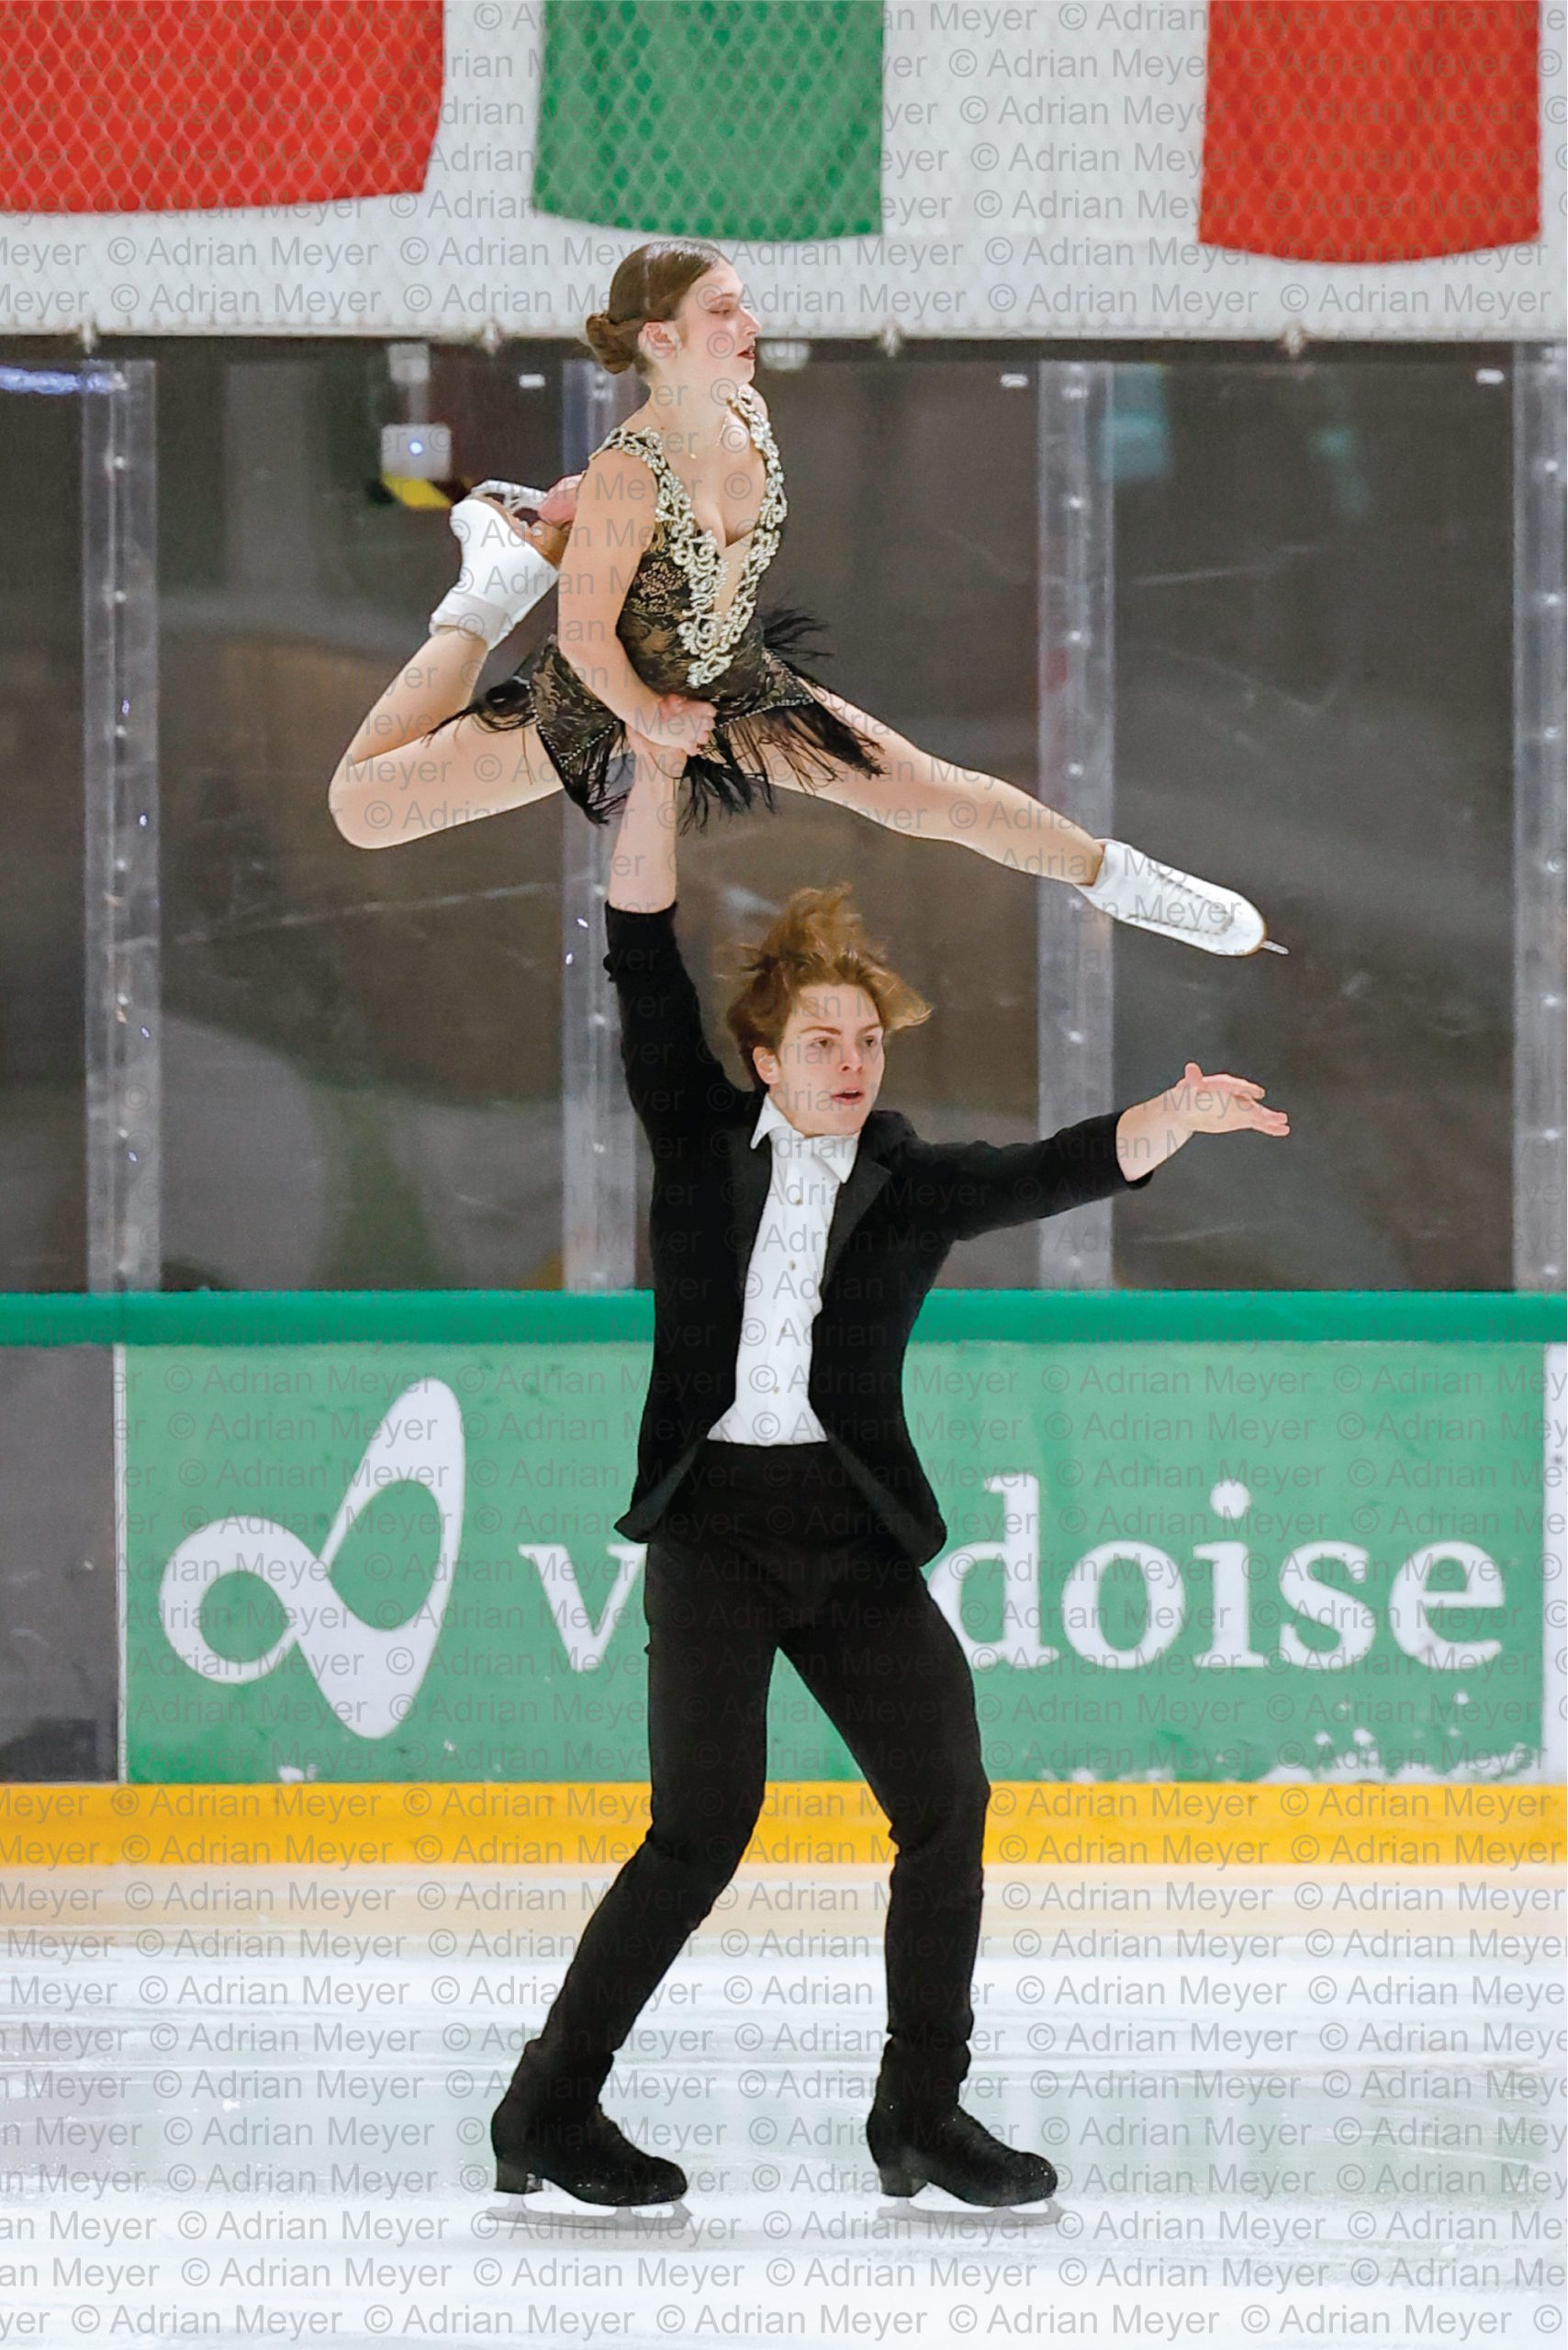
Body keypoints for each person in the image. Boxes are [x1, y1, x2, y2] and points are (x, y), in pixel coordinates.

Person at [487, 732, 1290, 2210]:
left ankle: (920, 2113)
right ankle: (546, 2106)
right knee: (699, 1833)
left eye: (867, 1043)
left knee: (946, 1805)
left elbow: (1049, 1170)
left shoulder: (909, 1184)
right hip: (715, 1532)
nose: (852, 1065)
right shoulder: (696, 1137)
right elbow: (642, 948)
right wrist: (653, 770)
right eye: (823, 1044)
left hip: (851, 1539)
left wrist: (1169, 1121)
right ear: (765, 1059)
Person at [329, 240, 1276, 958]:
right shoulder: (628, 474)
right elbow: (584, 639)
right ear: (660, 339)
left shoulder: (745, 411)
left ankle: (1118, 877)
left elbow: (664, 509)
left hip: (723, 674)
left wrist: (583, 515)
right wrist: (648, 716)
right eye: (723, 310)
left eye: (744, 304)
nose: (749, 324)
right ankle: (491, 589)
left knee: (921, 793)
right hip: (610, 697)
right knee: (365, 811)